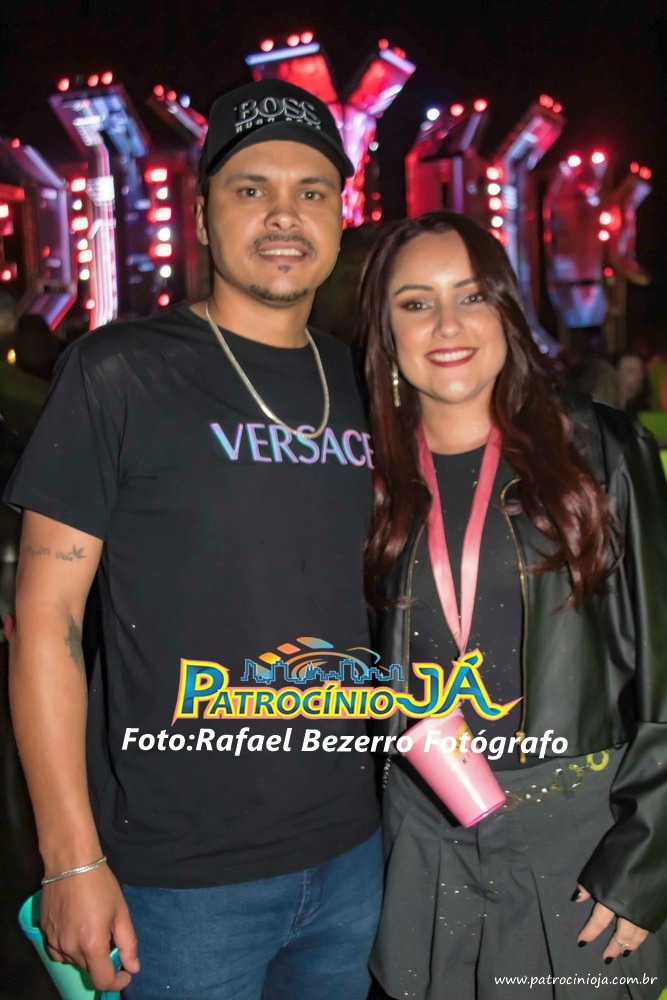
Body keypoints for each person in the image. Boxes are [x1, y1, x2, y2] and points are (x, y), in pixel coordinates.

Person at [4, 79, 382, 999]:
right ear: (204, 218)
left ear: (339, 218)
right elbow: (47, 623)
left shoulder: (371, 383)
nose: (284, 214)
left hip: (358, 857)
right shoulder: (119, 374)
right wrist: (69, 858)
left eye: (311, 191)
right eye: (251, 189)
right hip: (179, 886)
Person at [358, 211, 667, 999]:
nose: (447, 325)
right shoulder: (364, 474)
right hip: (422, 836)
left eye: (470, 296)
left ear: (505, 308)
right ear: (385, 331)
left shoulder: (602, 450)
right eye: (416, 303)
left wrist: (647, 856)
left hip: (581, 836)